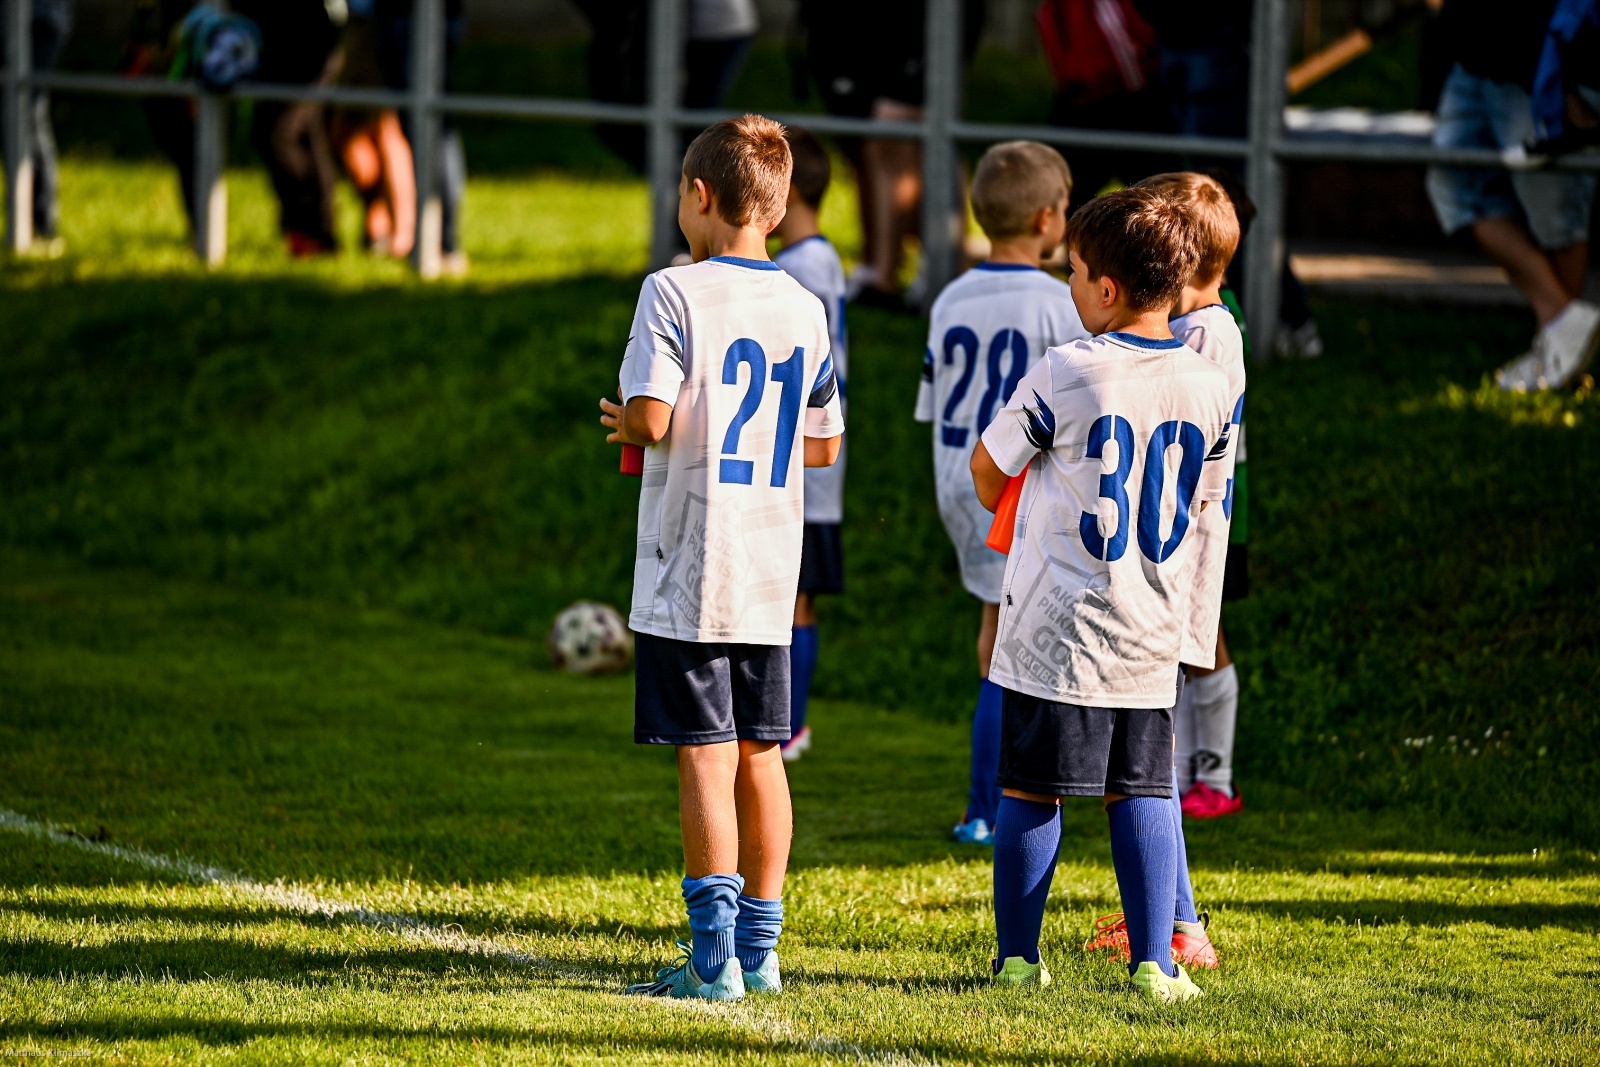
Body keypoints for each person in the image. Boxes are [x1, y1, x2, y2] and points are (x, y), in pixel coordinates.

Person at [600, 115, 845, 1001]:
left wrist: (625, 421)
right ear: (774, 211)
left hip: (692, 560)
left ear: (699, 198)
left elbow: (654, 416)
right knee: (760, 752)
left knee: (702, 753)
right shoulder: (805, 305)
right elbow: (823, 445)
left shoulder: (672, 290)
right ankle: (763, 950)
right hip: (773, 566)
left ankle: (711, 961)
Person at [971, 186, 1231, 1001]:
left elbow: (989, 471)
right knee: (1143, 787)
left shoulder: (1070, 368)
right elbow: (1204, 507)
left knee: (1029, 786)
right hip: (1149, 623)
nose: (1072, 287)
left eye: (1077, 274)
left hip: (1059, 624)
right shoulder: (1211, 385)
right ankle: (1156, 961)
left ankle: (1018, 960)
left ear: (1107, 290)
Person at [914, 141, 1088, 846]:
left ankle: (996, 798)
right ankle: (988, 806)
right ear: (1049, 219)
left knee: (996, 634)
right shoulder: (1057, 302)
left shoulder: (952, 295)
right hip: (1014, 485)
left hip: (959, 477)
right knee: (1005, 649)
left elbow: (935, 402)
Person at [1133, 0, 1324, 359]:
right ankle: (1271, 318)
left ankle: (1285, 318)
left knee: (1222, 199)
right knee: (1208, 196)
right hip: (1177, 37)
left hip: (1215, 41)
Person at [1426, 0, 1600, 391]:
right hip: (1474, 55)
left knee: (1557, 215)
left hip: (1549, 62)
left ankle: (1557, 361)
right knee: (1457, 188)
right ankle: (1562, 325)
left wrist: (1567, 84)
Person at [798, 0, 987, 309]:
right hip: (856, 26)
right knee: (867, 143)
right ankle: (876, 266)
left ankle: (929, 271)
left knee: (901, 136)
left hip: (921, 26)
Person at [772, 129, 849, 762]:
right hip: (808, 459)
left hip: (803, 460)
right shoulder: (820, 261)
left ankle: (789, 724)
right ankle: (788, 720)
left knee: (792, 597)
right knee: (795, 595)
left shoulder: (799, 269)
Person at [328, 0, 416, 258]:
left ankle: (402, 232)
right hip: (357, 17)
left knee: (386, 126)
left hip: (379, 16)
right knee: (348, 128)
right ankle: (380, 220)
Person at [0, 0, 72, 254]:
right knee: (17, 114)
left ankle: (41, 224)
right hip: (10, 18)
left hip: (43, 19)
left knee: (28, 113)